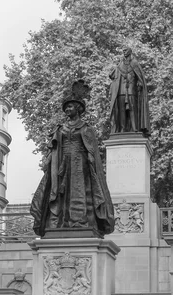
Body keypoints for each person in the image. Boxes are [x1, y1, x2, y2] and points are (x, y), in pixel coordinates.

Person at [31, 80, 115, 237]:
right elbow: (54, 147)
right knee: (61, 193)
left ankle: (80, 221)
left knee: (80, 191)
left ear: (78, 109)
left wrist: (90, 160)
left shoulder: (85, 128)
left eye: (70, 107)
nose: (67, 110)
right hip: (62, 163)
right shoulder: (60, 128)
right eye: (66, 107)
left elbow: (91, 150)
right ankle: (60, 222)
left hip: (80, 164)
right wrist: (49, 160)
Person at [109, 47, 150, 135]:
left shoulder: (135, 63)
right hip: (121, 92)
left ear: (130, 51)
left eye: (126, 50)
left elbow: (140, 77)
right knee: (122, 111)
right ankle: (123, 129)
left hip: (132, 91)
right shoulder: (120, 65)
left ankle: (134, 128)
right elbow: (112, 76)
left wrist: (140, 82)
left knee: (132, 110)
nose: (124, 52)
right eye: (123, 50)